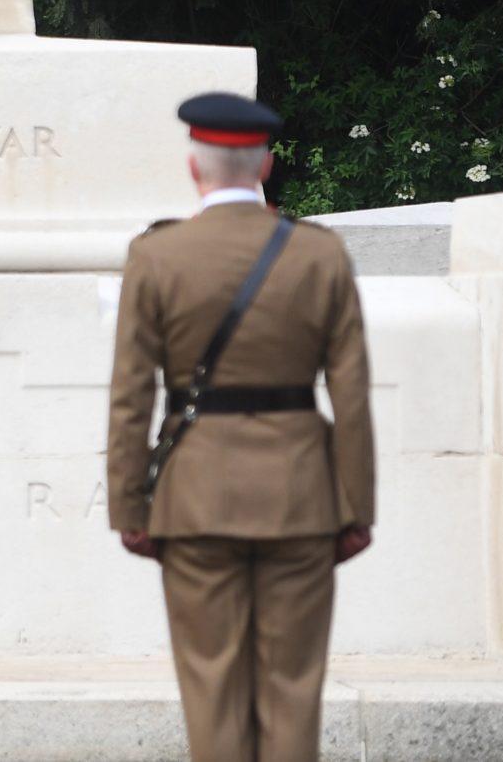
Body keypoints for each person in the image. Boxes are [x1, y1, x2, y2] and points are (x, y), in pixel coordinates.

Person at [107, 94, 376, 762]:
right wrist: (357, 506)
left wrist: (128, 506)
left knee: (212, 689)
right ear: (266, 163)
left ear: (194, 166)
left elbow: (130, 396)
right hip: (300, 497)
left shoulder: (156, 255)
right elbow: (351, 391)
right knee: (292, 689)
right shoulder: (320, 254)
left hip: (195, 499)